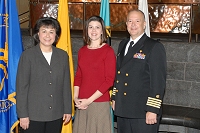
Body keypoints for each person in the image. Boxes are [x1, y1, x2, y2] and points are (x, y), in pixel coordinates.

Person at [111, 9, 167, 133]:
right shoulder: (123, 44)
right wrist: (115, 97)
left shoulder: (153, 46)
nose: (133, 24)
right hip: (123, 108)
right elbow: (118, 73)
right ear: (126, 25)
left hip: (142, 111)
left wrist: (152, 109)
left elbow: (158, 81)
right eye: (130, 21)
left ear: (144, 24)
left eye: (137, 21)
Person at [16, 17, 72, 133]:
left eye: (51, 32)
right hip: (33, 116)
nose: (47, 35)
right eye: (44, 31)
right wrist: (23, 114)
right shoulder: (28, 56)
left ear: (56, 35)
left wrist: (67, 109)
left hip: (56, 114)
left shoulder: (62, 56)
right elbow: (22, 88)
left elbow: (66, 85)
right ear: (38, 33)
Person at [73, 16, 116, 133]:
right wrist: (75, 97)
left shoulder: (108, 51)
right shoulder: (82, 51)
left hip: (99, 103)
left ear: (102, 31)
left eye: (97, 27)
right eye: (90, 27)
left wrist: (89, 100)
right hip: (82, 103)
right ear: (86, 30)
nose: (94, 30)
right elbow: (79, 77)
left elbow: (109, 80)